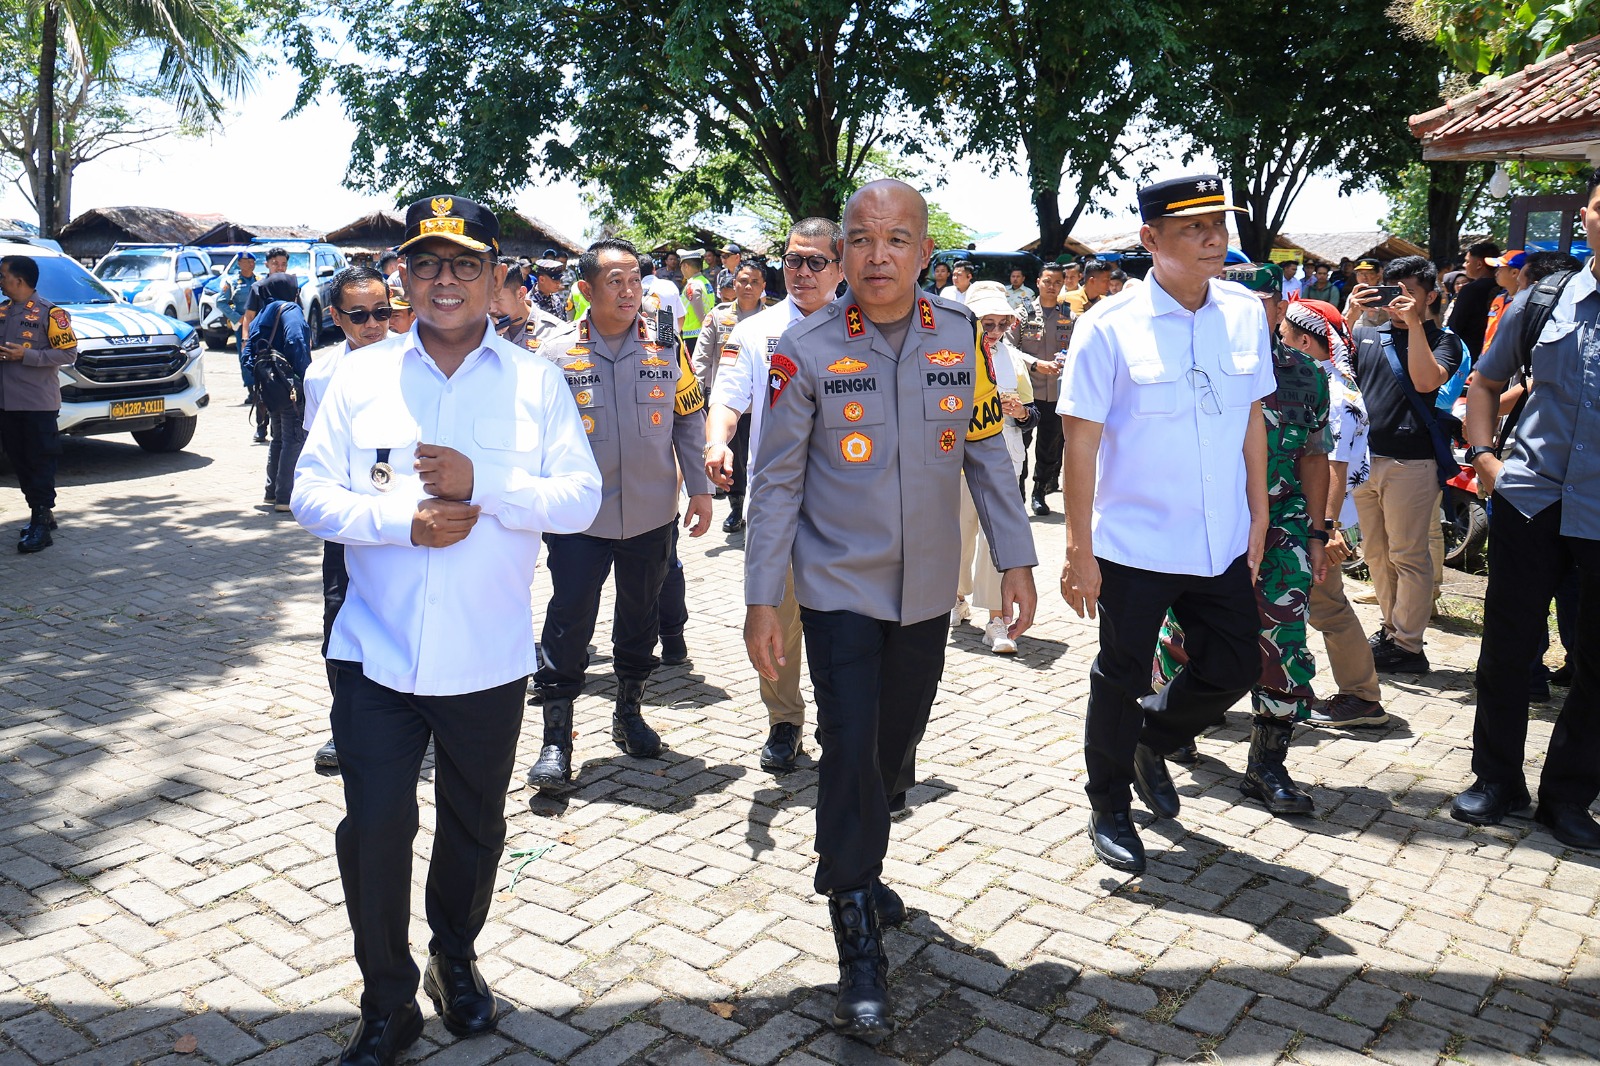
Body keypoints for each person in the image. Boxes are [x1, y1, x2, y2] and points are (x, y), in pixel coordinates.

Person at [291, 195, 602, 1065]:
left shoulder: (536, 381)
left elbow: (582, 499)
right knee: (375, 827)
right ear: (405, 276)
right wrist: (401, 523)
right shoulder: (359, 375)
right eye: (427, 263)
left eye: (466, 264)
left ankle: (453, 957)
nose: (445, 280)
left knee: (474, 827)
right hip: (375, 653)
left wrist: (485, 484)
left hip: (486, 656)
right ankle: (386, 996)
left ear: (498, 278)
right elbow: (310, 495)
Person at [745, 180, 1035, 1038]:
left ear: (922, 253)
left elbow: (986, 451)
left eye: (897, 239)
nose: (878, 255)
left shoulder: (958, 338)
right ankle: (856, 928)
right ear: (842, 255)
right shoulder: (804, 348)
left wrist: (1016, 559)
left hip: (926, 594)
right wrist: (764, 596)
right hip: (838, 588)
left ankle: (861, 854)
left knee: (895, 746)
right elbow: (776, 483)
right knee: (848, 749)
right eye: (861, 240)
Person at [1059, 174, 1276, 874]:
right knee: (1118, 674)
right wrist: (1077, 548)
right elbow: (1081, 443)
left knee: (1236, 663)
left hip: (1218, 539)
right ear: (1151, 240)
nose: (1214, 238)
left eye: (1218, 223)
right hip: (1136, 542)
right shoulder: (1107, 326)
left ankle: (1150, 735)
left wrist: (1259, 511)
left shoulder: (1245, 314)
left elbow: (1250, 419)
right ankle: (1110, 806)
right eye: (1193, 228)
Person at [524, 238, 714, 795]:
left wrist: (699, 490)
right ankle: (556, 737)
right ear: (585, 290)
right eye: (615, 280)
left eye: (635, 279)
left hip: (652, 513)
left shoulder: (665, 349)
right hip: (579, 519)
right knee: (569, 617)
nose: (630, 290)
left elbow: (686, 420)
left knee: (641, 617)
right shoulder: (554, 356)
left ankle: (628, 713)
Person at [1451, 171, 1600, 848]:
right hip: (1530, 499)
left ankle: (1568, 799)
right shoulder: (1545, 298)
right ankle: (1495, 779)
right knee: (1508, 647)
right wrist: (1485, 459)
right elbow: (1485, 382)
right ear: (1586, 216)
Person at [1153, 263, 1331, 816]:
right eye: (1242, 301)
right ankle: (1165, 729)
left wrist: (1321, 533)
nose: (1255, 312)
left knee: (1284, 642)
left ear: (1282, 308)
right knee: (1184, 634)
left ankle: (1267, 766)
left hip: (1282, 528)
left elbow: (1315, 455)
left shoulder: (1306, 374)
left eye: (1266, 302)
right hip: (1208, 525)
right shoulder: (1193, 364)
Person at [704, 219, 847, 773]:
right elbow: (727, 397)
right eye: (793, 261)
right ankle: (784, 722)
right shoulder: (756, 332)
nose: (803, 272)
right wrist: (717, 443)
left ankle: (843, 722)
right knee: (777, 620)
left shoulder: (864, 328)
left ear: (839, 268)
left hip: (847, 505)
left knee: (841, 621)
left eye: (816, 262)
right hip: (779, 502)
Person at [298, 265, 396, 776]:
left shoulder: (417, 363)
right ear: (336, 317)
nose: (374, 324)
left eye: (383, 312)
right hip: (350, 521)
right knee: (338, 621)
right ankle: (345, 728)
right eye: (359, 315)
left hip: (406, 519)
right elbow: (320, 460)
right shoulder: (321, 374)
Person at [1346, 256, 1463, 674]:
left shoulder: (1445, 340)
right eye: (1392, 289)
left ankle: (1409, 646)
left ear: (1431, 295)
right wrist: (1351, 314)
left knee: (1409, 555)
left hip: (1411, 462)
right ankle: (1392, 628)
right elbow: (1336, 374)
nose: (1399, 299)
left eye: (1408, 291)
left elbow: (1426, 382)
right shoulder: (1368, 335)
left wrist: (1413, 326)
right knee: (1375, 553)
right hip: (1365, 460)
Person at [1280, 299, 1389, 728]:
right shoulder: (1324, 383)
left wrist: (1324, 530)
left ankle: (1361, 697)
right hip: (1317, 519)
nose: (1281, 343)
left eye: (1286, 337)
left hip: (1319, 523)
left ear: (1305, 342)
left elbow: (1333, 467)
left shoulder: (1332, 393)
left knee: (1327, 608)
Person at [956, 282, 1039, 654]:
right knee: (957, 536)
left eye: (999, 324)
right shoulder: (948, 356)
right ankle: (954, 599)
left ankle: (996, 618)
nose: (992, 332)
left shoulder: (1013, 359)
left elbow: (1033, 412)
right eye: (984, 324)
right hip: (956, 465)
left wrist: (1021, 413)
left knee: (997, 541)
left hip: (1004, 462)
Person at [0, 255, 78, 554]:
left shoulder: (51, 313)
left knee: (39, 461)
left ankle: (41, 526)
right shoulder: (3, 312)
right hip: (7, 403)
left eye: (3, 275)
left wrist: (27, 356)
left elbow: (69, 354)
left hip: (36, 404)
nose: (0, 280)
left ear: (19, 280)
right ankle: (40, 511)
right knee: (20, 462)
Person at [693, 261, 768, 533]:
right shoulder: (718, 316)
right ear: (733, 284)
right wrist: (697, 390)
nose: (748, 287)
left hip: (761, 404)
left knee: (759, 456)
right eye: (742, 281)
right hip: (728, 406)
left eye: (754, 282)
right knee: (732, 456)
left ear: (763, 287)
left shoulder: (772, 319)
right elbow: (701, 356)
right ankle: (736, 509)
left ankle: (757, 508)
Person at [245, 272, 313, 514]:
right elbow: (296, 341)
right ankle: (286, 497)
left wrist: (262, 378)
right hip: (289, 387)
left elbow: (247, 353)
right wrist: (303, 375)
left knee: (279, 438)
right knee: (294, 438)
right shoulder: (290, 309)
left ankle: (271, 492)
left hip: (269, 388)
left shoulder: (263, 313)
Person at [1013, 262, 1072, 516]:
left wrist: (1066, 359)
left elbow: (1078, 349)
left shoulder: (1068, 316)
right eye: (1047, 281)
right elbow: (1010, 349)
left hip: (1055, 394)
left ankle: (1039, 492)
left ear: (1063, 284)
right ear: (1038, 282)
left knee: (1049, 446)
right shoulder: (1022, 315)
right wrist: (1036, 364)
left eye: (1057, 282)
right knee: (1021, 444)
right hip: (1027, 392)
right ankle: (1018, 493)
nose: (1052, 286)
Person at [222, 251, 268, 443]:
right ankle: (250, 389)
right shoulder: (232, 283)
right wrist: (237, 319)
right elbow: (221, 302)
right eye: (245, 262)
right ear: (239, 263)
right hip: (243, 325)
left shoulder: (260, 281)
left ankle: (257, 389)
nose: (249, 264)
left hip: (260, 324)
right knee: (245, 358)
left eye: (252, 261)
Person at [1447, 240, 1502, 361]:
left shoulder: (1470, 290)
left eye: (1467, 261)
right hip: (1499, 354)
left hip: (1470, 353)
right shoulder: (1506, 288)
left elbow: (1455, 325)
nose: (1464, 265)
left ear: (1479, 264)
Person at [492, 260, 562, 352]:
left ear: (521, 294)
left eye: (497, 299)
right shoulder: (482, 330)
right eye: (486, 299)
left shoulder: (553, 331)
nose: (491, 308)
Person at [1481, 250, 1524, 352]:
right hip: (1487, 359)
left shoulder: (1524, 304)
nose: (1496, 273)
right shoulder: (1499, 299)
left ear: (1514, 273)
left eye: (1500, 269)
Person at [639, 253, 686, 336]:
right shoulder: (670, 285)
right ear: (654, 269)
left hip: (645, 343)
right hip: (671, 342)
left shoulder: (635, 290)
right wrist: (675, 336)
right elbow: (681, 317)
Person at [679, 250, 713, 350]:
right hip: (704, 333)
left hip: (694, 336)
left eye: (681, 266)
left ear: (686, 266)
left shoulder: (692, 285)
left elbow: (700, 315)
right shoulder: (705, 281)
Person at [1344, 259, 1386, 330]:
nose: (1364, 277)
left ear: (1378, 275)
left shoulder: (1385, 293)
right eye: (1360, 273)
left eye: (1369, 273)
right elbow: (1345, 317)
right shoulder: (1354, 294)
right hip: (1355, 336)